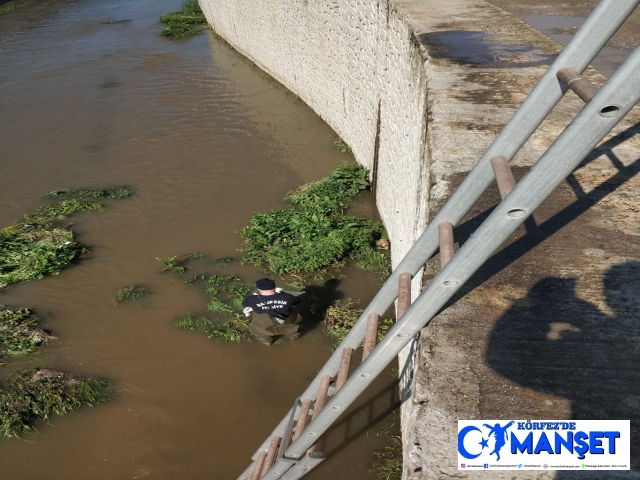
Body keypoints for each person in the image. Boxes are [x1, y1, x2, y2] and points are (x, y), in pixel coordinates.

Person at [242, 278, 302, 345]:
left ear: (258, 289)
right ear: (275, 287)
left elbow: (244, 304)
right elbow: (297, 301)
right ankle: (295, 339)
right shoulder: (287, 297)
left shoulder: (251, 299)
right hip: (287, 323)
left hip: (264, 326)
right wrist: (282, 294)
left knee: (259, 333)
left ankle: (267, 342)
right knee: (294, 330)